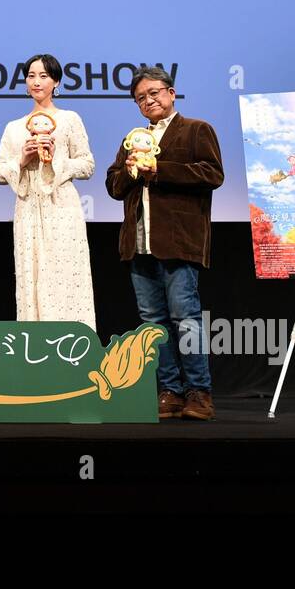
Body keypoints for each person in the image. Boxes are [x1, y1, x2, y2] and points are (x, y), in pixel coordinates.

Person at [104, 65, 224, 420]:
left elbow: (212, 174)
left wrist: (159, 169)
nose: (149, 100)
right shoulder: (134, 137)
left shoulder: (196, 130)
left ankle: (199, 393)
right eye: (141, 97)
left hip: (179, 241)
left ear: (171, 93)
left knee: (185, 317)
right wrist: (130, 169)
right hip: (138, 244)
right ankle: (169, 390)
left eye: (154, 92)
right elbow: (113, 186)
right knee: (152, 324)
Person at [0, 53, 97, 332]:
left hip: (62, 207)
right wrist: (22, 161)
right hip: (27, 208)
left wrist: (55, 161)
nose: (37, 81)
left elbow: (87, 164)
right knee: (31, 274)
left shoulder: (69, 119)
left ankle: (74, 347)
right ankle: (35, 352)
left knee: (64, 275)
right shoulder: (14, 128)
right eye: (31, 76)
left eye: (44, 76)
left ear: (56, 82)